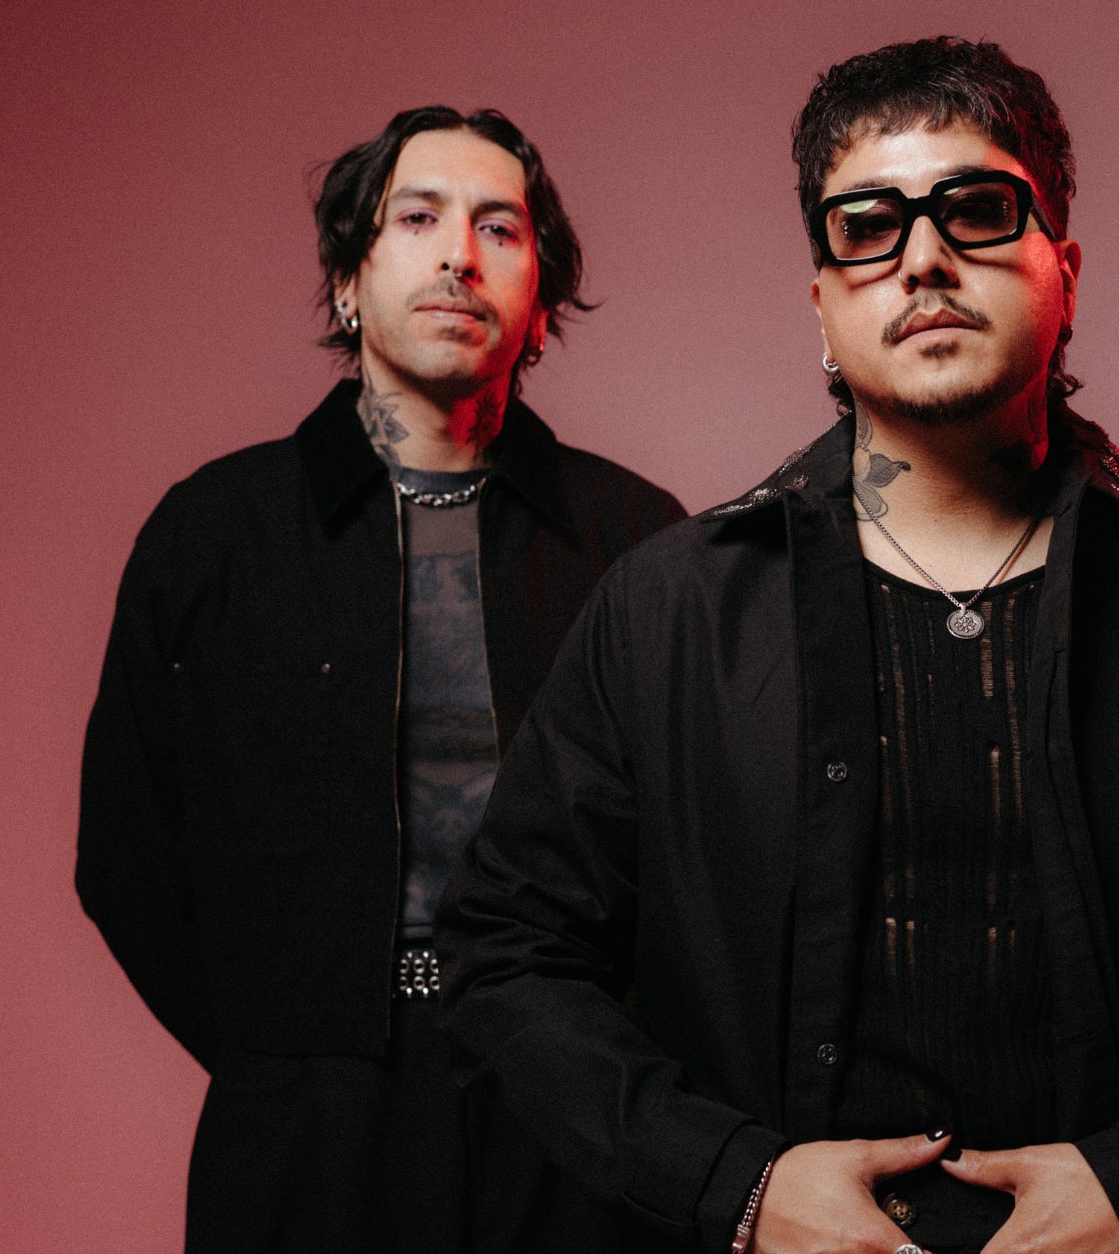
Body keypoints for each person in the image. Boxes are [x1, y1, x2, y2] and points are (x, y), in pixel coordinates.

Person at [436, 38, 1119, 1254]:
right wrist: (739, 1189)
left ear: (1063, 273)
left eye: (978, 211)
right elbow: (504, 955)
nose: (922, 258)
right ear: (822, 307)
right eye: (866, 227)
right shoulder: (667, 613)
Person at [77, 105, 686, 1252]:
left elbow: (698, 863)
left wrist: (609, 1070)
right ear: (347, 280)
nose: (459, 255)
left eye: (498, 228)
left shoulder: (638, 542)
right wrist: (276, 1051)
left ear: (541, 299)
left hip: (573, 1122)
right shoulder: (213, 537)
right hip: (303, 1124)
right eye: (417, 219)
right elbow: (125, 853)